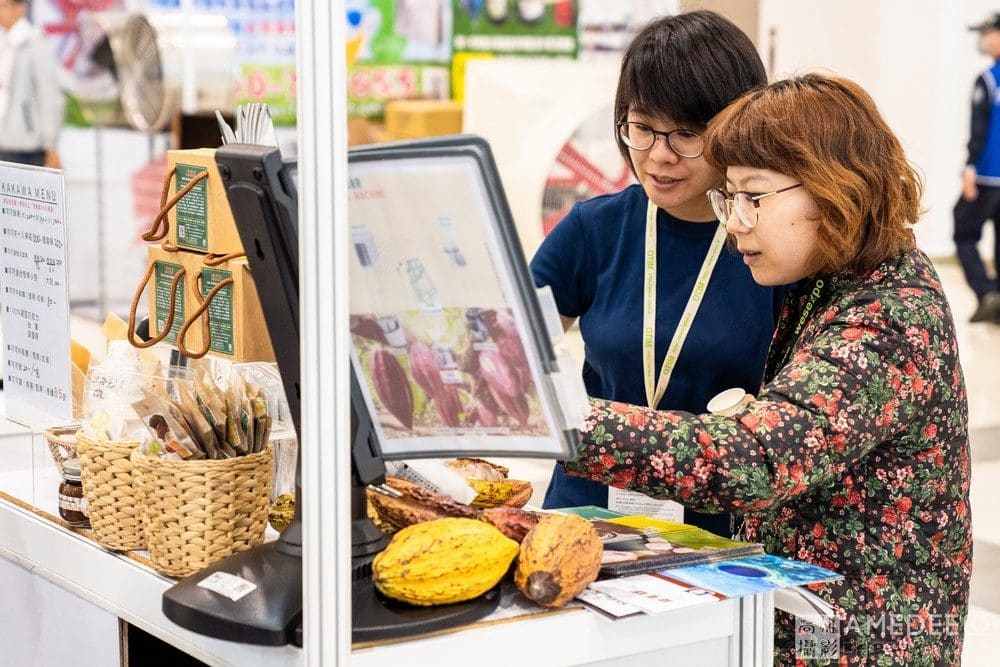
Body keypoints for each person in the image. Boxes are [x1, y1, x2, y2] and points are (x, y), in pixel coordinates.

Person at [564, 74, 971, 665]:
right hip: (812, 621)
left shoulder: (889, 317)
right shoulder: (829, 283)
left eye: (754, 197)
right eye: (728, 199)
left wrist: (558, 419)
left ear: (835, 188)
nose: (735, 224)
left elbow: (754, 459)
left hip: (870, 639)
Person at [529, 11, 785, 537]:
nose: (658, 156)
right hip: (587, 516)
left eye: (687, 134)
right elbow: (512, 354)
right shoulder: (594, 228)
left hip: (716, 531)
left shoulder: (771, 245)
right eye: (642, 128)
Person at [954, 12, 1000, 322]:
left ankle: (987, 293)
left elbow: (980, 128)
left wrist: (970, 167)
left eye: (987, 33)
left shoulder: (989, 79)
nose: (984, 40)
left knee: (964, 232)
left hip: (987, 176)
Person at [0, 0, 63, 168]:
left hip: (25, 145)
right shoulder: (3, 41)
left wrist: (50, 143)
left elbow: (48, 95)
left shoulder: (35, 43)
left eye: (3, 6)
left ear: (19, 8)